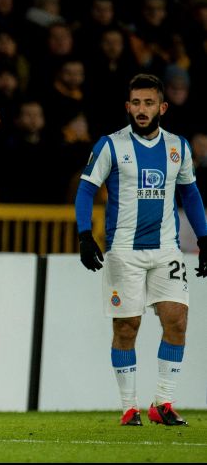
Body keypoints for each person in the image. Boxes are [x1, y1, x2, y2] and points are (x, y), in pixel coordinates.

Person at [75, 73, 207, 427]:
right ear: (127, 107)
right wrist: (85, 235)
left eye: (149, 103)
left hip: (166, 250)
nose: (142, 109)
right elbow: (86, 189)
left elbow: (190, 194)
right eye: (136, 103)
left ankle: (163, 403)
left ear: (162, 107)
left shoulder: (178, 146)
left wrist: (205, 238)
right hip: (123, 252)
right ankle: (129, 406)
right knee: (127, 326)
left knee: (177, 320)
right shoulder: (110, 145)